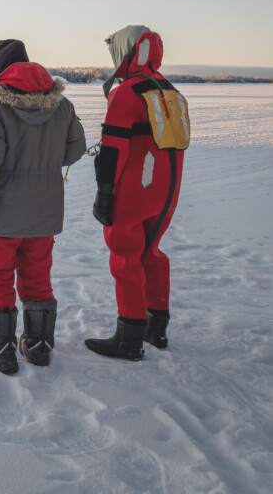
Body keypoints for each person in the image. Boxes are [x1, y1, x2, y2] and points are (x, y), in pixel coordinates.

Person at [0, 39, 86, 374]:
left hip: (2, 215)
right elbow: (73, 151)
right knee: (37, 276)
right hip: (45, 213)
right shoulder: (62, 105)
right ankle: (38, 346)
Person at [85, 25, 188, 361]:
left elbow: (113, 150)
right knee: (151, 252)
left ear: (126, 53)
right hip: (167, 191)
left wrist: (104, 191)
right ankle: (155, 329)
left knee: (126, 257)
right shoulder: (170, 91)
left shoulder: (126, 92)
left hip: (134, 191)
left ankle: (128, 338)